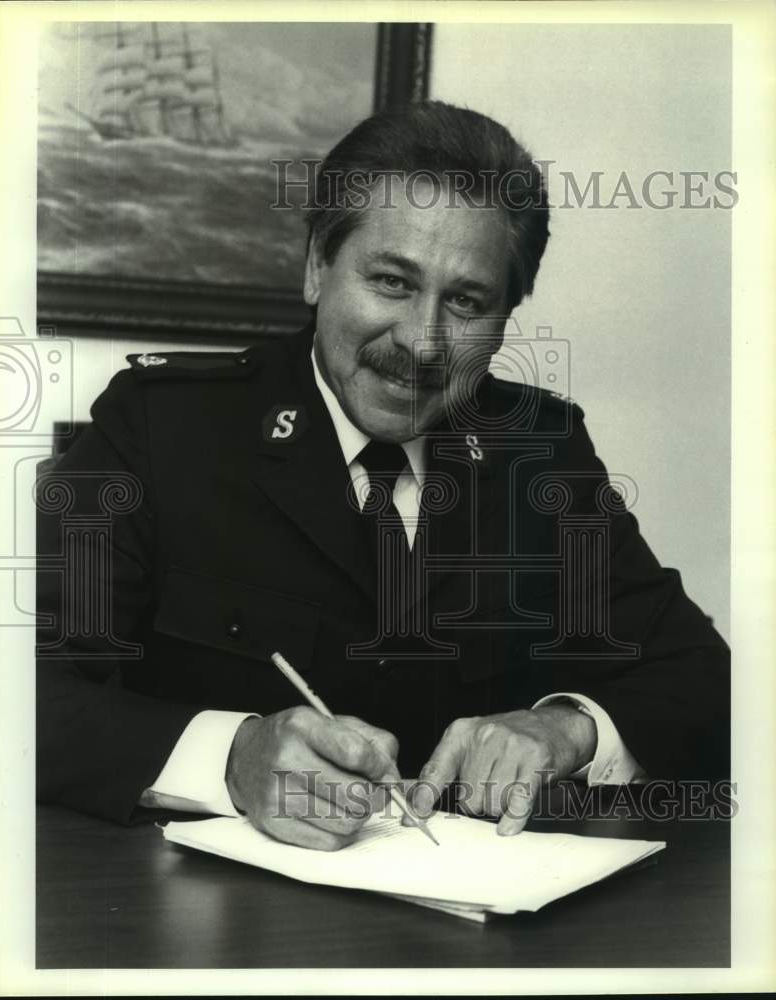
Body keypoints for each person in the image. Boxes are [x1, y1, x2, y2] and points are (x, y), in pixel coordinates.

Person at [36, 101, 730, 850]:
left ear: (505, 315)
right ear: (315, 268)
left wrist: (568, 730)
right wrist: (229, 757)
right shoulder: (162, 427)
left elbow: (703, 678)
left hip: (472, 931)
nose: (423, 343)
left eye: (466, 301)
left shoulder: (540, 448)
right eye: (392, 282)